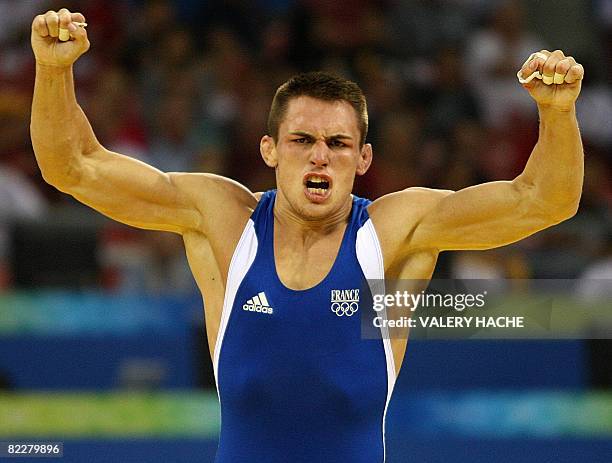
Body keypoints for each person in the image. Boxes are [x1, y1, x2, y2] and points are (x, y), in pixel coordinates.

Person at [30, 9, 584, 463]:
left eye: (339, 144)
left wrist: (557, 113)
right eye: (302, 140)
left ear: (363, 158)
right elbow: (73, 167)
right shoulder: (223, 219)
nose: (320, 154)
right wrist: (53, 71)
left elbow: (545, 200)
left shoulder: (395, 231)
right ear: (269, 149)